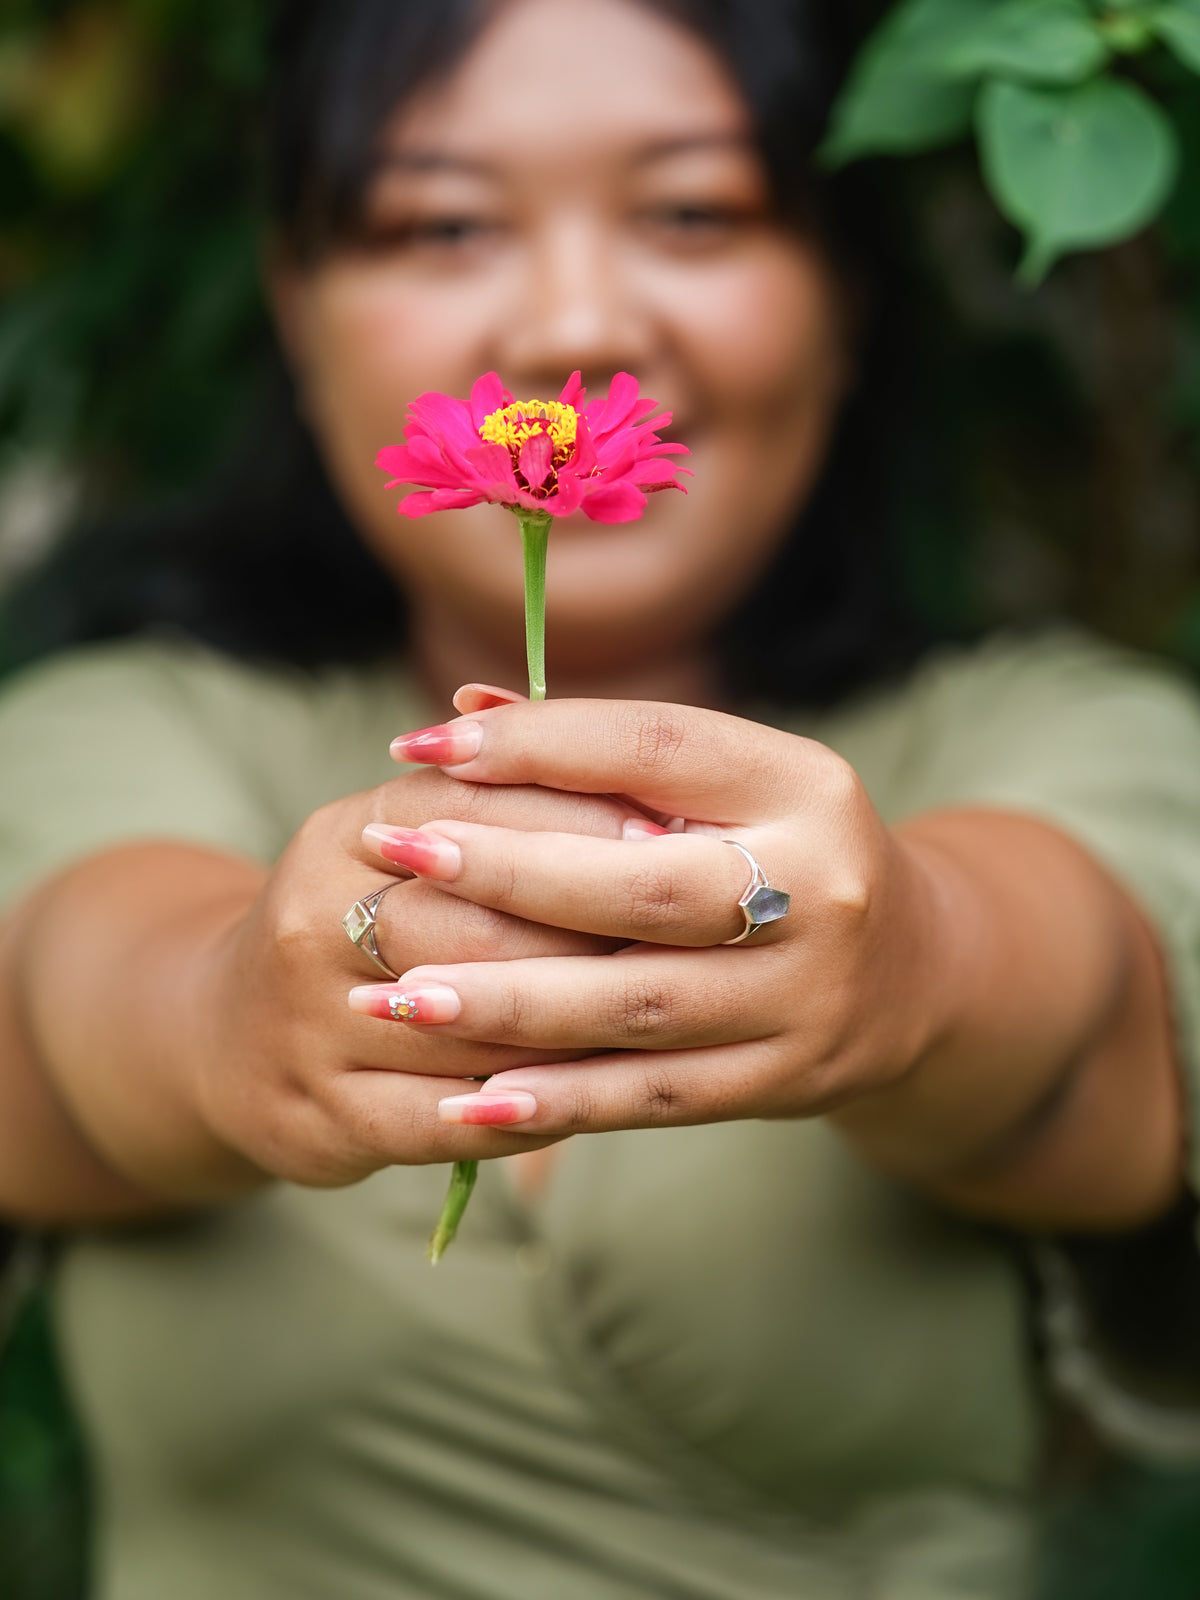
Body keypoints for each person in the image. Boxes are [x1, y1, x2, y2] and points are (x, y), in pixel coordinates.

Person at [1, 0, 1198, 1595]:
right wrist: (245, 1006)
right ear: (296, 303)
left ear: (845, 293)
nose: (573, 328)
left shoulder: (1070, 739)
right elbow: (88, 993)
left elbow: (1070, 996)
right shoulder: (120, 729)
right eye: (444, 223)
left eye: (693, 210)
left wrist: (902, 958)